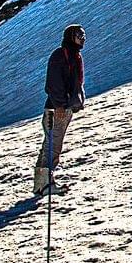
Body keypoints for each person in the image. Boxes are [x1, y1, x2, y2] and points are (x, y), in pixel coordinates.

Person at [35, 24, 86, 195]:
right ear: (71, 36)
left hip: (62, 108)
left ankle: (41, 184)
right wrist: (60, 106)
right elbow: (54, 83)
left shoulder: (73, 55)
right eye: (79, 35)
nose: (83, 38)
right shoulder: (61, 55)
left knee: (49, 145)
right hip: (57, 109)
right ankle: (46, 184)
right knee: (53, 146)